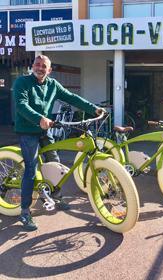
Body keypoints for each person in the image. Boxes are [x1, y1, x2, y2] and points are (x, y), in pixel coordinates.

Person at [13, 55, 105, 231]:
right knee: (31, 169)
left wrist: (93, 108)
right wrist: (39, 118)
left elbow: (72, 98)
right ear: (33, 66)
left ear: (49, 70)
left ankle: (56, 196)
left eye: (44, 66)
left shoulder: (53, 85)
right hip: (26, 131)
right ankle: (24, 211)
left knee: (54, 163)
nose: (40, 68)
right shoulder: (21, 83)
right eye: (37, 64)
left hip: (44, 130)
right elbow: (21, 105)